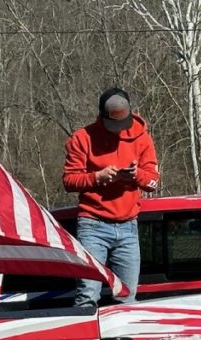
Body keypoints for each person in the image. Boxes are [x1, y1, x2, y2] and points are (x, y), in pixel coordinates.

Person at [63, 88, 159, 307]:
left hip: (128, 226)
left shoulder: (142, 138)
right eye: (112, 126)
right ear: (101, 116)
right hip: (92, 224)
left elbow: (153, 182)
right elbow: (69, 180)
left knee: (127, 298)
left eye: (121, 125)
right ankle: (86, 339)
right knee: (87, 295)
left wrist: (136, 175)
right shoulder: (82, 139)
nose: (117, 131)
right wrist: (98, 177)